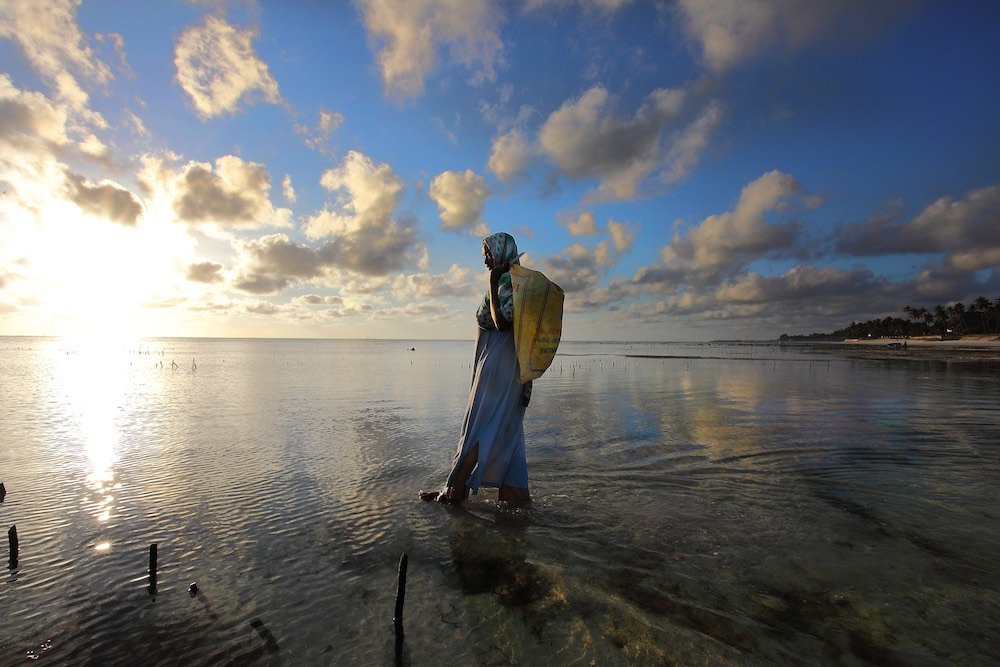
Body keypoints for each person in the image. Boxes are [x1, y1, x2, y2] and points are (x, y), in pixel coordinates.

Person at [422, 232, 531, 505]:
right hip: (510, 366)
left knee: (479, 426)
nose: (485, 260)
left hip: (498, 366)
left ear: (500, 253)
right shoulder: (520, 282)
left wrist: (493, 282)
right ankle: (515, 496)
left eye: (488, 254)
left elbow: (502, 321)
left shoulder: (507, 283)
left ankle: (454, 491)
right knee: (507, 429)